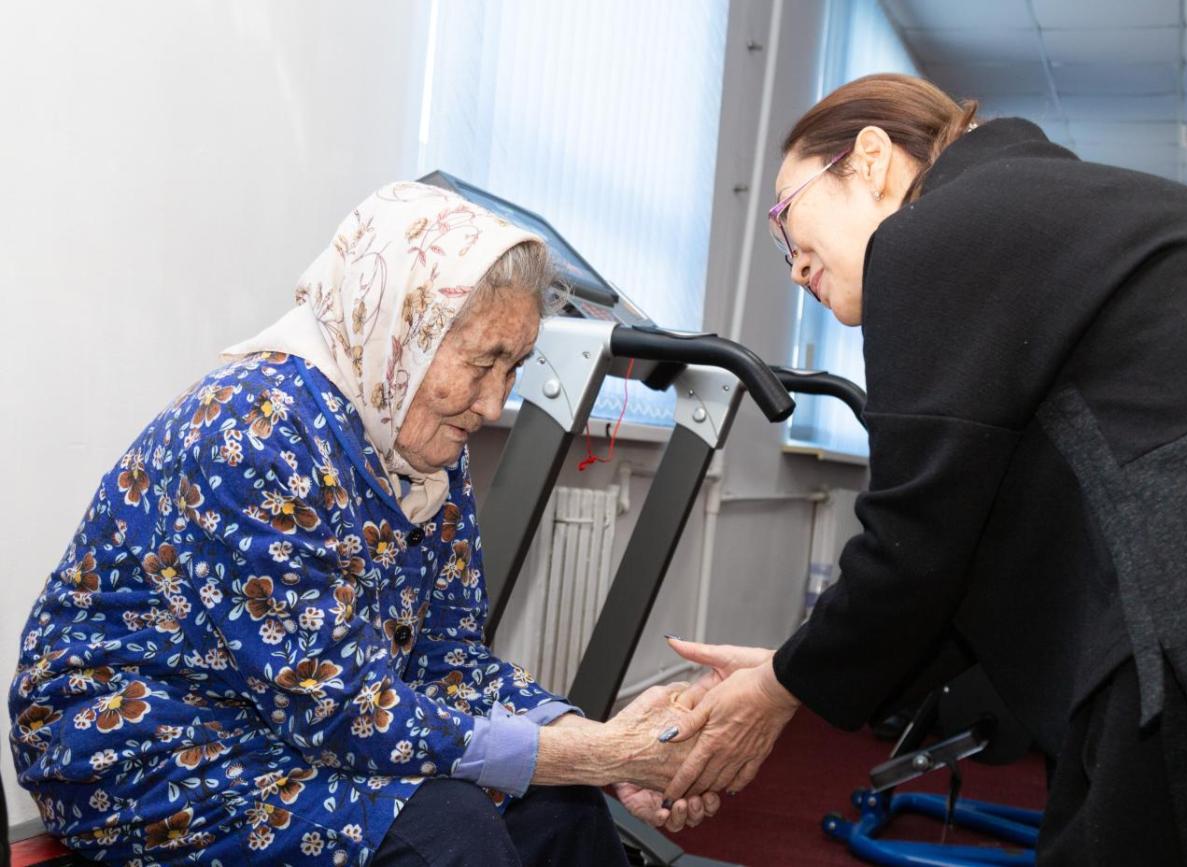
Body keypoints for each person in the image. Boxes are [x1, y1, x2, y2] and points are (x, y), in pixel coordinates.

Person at [661, 73, 1187, 865]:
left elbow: (914, 534)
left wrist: (782, 686)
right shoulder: (1038, 206)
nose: (792, 266)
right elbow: (972, 536)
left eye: (786, 218)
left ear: (869, 160)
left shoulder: (935, 234)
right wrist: (797, 666)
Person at [9, 182, 719, 866]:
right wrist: (599, 754)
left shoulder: (427, 449)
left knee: (559, 810)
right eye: (482, 363)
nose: (493, 402)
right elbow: (339, 711)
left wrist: (607, 745)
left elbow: (450, 660)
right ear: (402, 333)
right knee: (449, 830)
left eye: (515, 367)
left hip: (290, 730)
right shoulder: (255, 431)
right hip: (141, 747)